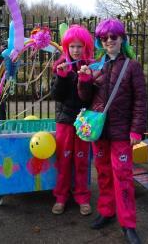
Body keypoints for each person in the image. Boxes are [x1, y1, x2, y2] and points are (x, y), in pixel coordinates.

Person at [77, 19, 147, 244]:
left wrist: (136, 130)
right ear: (100, 41)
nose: (109, 41)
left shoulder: (133, 67)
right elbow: (85, 98)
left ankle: (128, 223)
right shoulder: (97, 65)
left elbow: (140, 101)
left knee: (123, 177)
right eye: (104, 38)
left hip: (121, 133)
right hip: (100, 133)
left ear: (122, 39)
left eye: (113, 37)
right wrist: (84, 79)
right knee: (104, 173)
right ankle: (107, 211)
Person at [50, 25, 94, 216]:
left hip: (83, 122)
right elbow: (56, 96)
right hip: (65, 122)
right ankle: (60, 197)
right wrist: (61, 77)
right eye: (72, 46)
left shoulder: (90, 67)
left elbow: (90, 98)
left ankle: (82, 197)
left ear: (86, 47)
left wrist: (85, 80)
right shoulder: (60, 65)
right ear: (66, 47)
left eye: (79, 46)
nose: (76, 50)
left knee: (82, 161)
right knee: (64, 161)